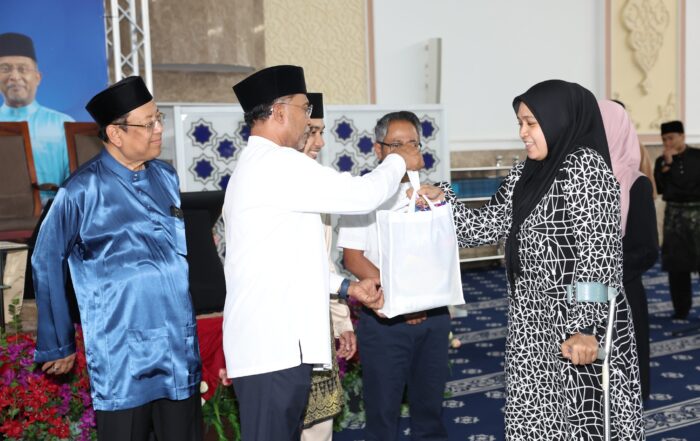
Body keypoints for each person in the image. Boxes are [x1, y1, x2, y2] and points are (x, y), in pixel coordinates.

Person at [222, 65, 425, 441]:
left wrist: (348, 288)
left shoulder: (262, 166)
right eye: (303, 109)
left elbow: (292, 263)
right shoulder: (277, 164)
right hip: (271, 348)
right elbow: (361, 195)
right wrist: (399, 159)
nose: (307, 119)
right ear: (279, 111)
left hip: (279, 348)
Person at [442, 80, 643, 439]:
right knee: (535, 420)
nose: (522, 132)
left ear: (557, 120)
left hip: (576, 329)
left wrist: (586, 328)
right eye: (520, 123)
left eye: (531, 123)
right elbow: (485, 227)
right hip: (532, 324)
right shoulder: (527, 173)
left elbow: (599, 254)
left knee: (581, 423)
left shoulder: (586, 167)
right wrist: (440, 201)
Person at [32, 76, 202, 441]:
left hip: (177, 344)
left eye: (159, 119)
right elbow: (46, 260)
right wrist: (58, 341)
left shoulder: (166, 176)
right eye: (148, 123)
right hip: (124, 354)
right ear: (115, 133)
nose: (159, 129)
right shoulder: (80, 190)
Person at [337, 111, 451, 441]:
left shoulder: (431, 195)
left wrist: (421, 299)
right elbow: (353, 258)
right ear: (378, 149)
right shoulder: (365, 194)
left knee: (430, 411)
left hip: (433, 314)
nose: (406, 151)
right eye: (397, 145)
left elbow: (442, 254)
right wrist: (403, 297)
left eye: (413, 144)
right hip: (386, 316)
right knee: (382, 415)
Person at [300, 93, 356, 441]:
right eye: (312, 132)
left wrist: (340, 322)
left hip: (318, 328)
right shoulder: (263, 185)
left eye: (322, 132)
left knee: (319, 430)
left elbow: (326, 263)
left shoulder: (321, 183)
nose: (320, 142)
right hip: (280, 338)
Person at [600, 99, 658, 401]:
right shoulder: (582, 181)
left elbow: (647, 250)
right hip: (583, 294)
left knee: (623, 378)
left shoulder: (636, 184)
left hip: (622, 295)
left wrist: (601, 275)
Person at [0, 32, 73, 203]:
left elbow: (76, 184)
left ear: (37, 77)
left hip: (53, 214)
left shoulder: (62, 124)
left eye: (23, 69)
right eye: (5, 69)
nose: (14, 76)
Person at [654, 120, 700, 320]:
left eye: (671, 138)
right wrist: (668, 165)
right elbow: (662, 189)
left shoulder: (697, 156)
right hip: (674, 218)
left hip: (697, 215)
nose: (668, 143)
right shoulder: (661, 162)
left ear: (682, 136)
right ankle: (681, 309)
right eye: (664, 139)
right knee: (677, 266)